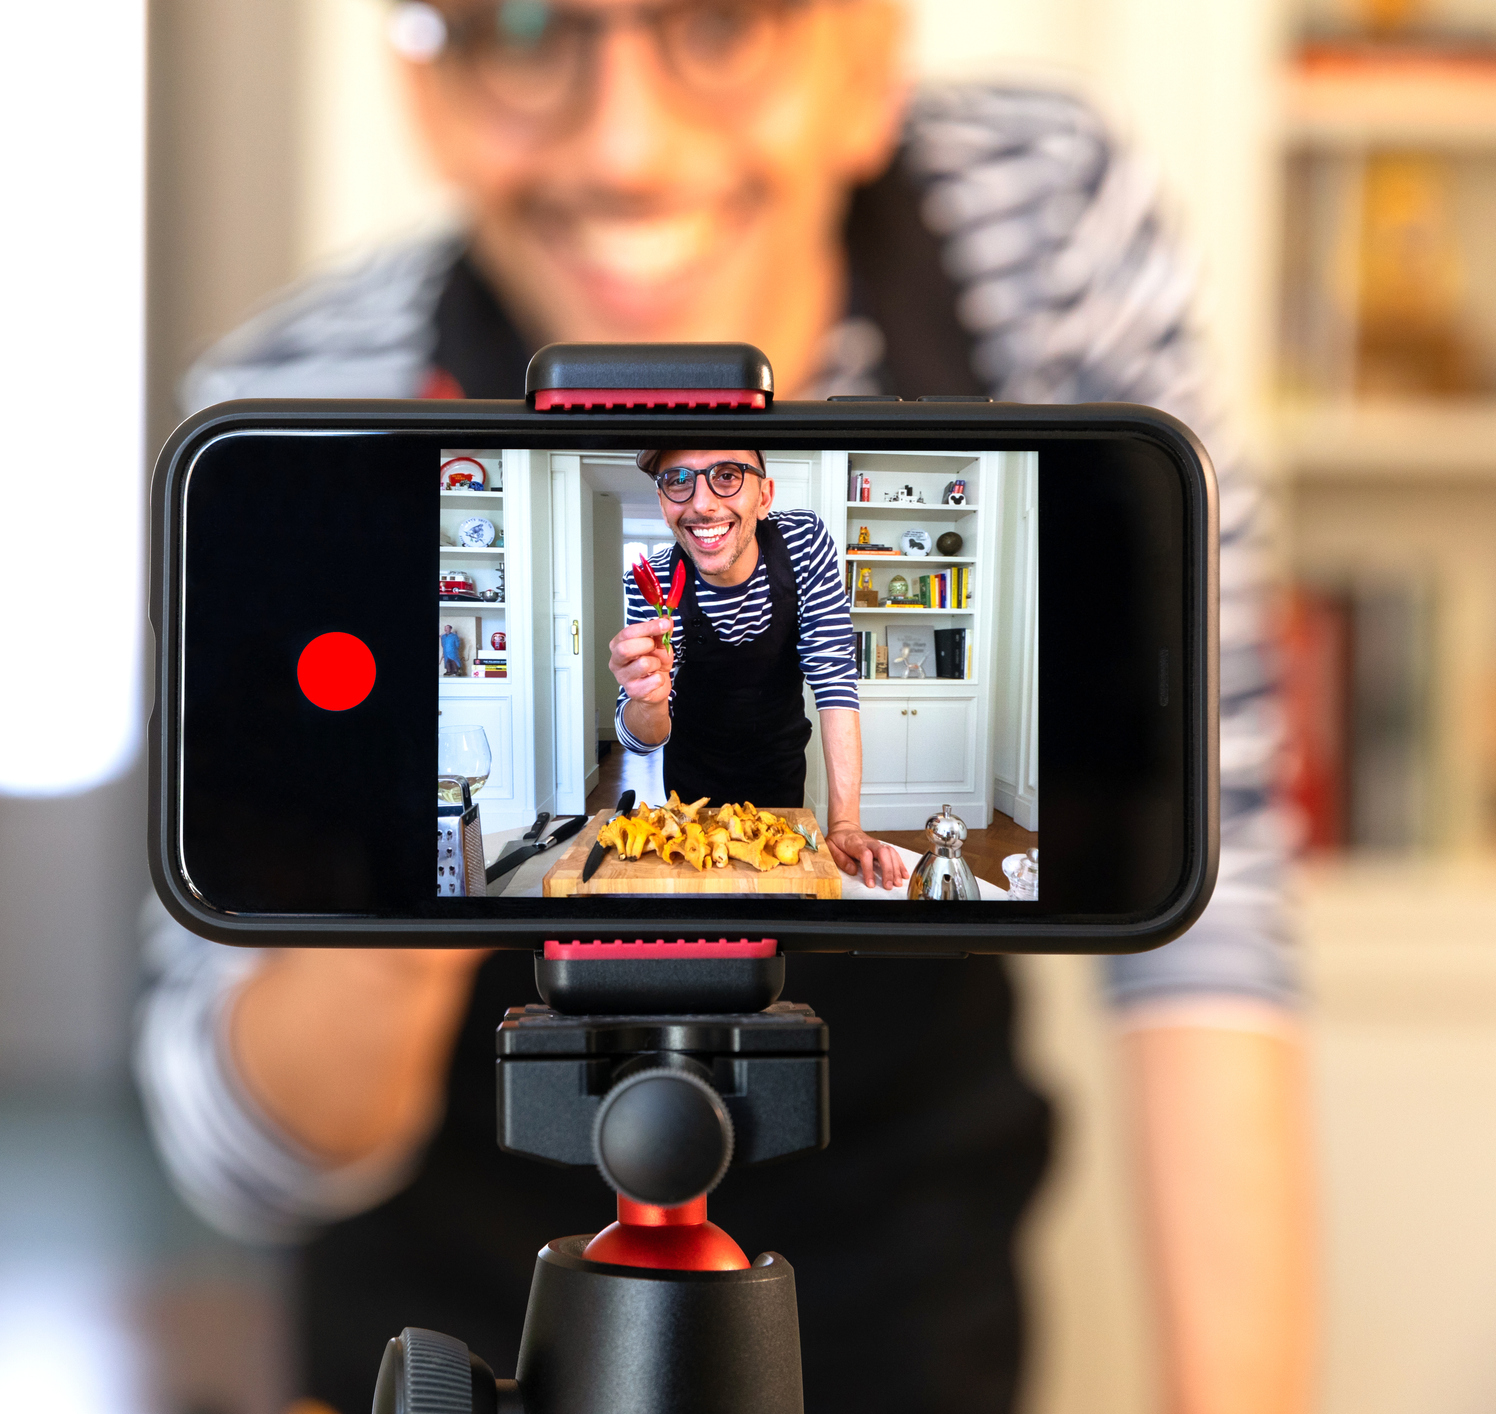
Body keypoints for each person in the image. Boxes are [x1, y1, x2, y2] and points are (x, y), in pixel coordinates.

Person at [139, 4, 1314, 1414]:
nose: (627, 142)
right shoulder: (315, 405)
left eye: (722, 15)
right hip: (453, 1283)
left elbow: (1211, 860)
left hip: (900, 1262)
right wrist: (458, 811)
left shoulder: (1033, 231)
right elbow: (238, 1143)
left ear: (867, 60)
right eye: (523, 29)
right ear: (427, 87)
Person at [609, 447, 907, 887]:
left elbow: (834, 678)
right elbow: (638, 739)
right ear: (662, 503)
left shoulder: (804, 543)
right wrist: (649, 701)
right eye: (677, 480)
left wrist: (844, 823)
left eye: (727, 475)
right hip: (691, 779)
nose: (702, 504)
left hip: (779, 768)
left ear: (764, 495)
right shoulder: (652, 583)